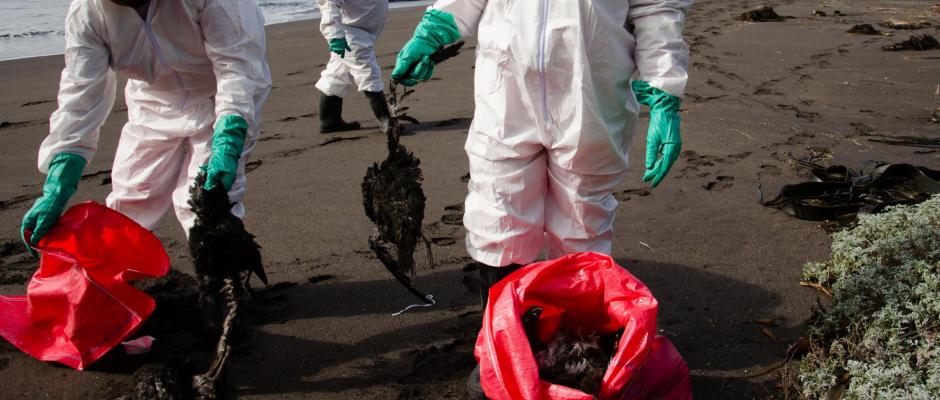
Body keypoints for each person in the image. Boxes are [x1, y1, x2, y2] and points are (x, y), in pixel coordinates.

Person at [392, 0, 691, 396]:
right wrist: (435, 29)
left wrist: (664, 89)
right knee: (497, 215)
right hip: (506, 86)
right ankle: (503, 348)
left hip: (593, 92)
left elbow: (657, 7)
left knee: (582, 224)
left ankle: (573, 352)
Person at [20, 0, 272, 251]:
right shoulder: (89, 11)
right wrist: (57, 183)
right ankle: (118, 277)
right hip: (153, 100)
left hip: (222, 95)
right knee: (131, 197)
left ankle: (224, 277)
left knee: (204, 201)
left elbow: (237, 66)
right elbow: (80, 94)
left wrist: (229, 138)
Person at [315, 0, 393, 134]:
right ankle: (385, 120)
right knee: (367, 71)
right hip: (350, 32)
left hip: (363, 29)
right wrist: (334, 35)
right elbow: (328, 4)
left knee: (338, 73)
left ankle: (329, 120)